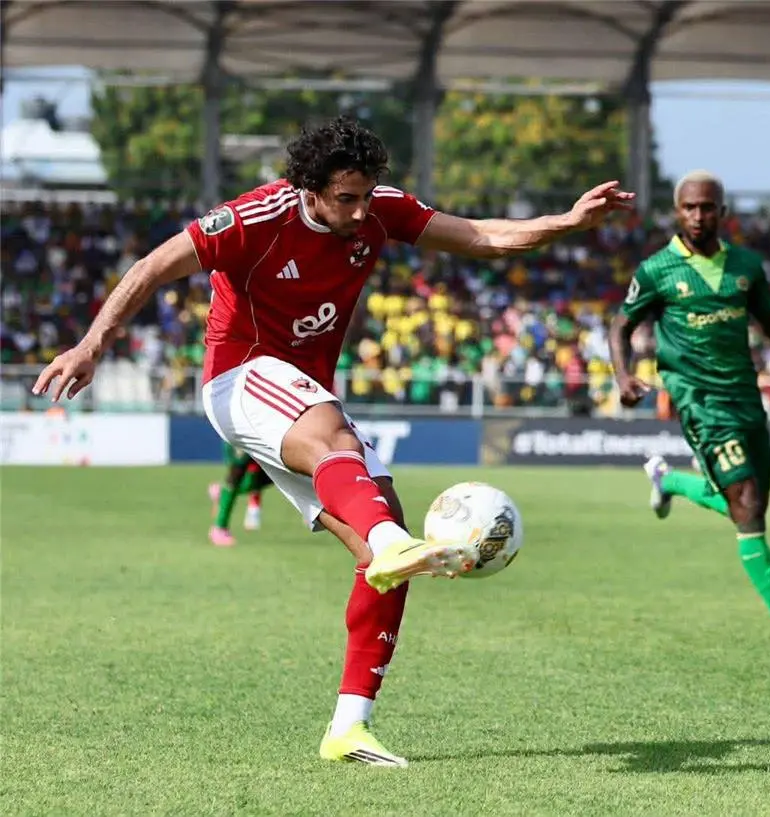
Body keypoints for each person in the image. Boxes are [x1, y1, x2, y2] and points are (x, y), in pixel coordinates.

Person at [33, 115, 633, 767]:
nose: (360, 210)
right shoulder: (252, 219)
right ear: (308, 191)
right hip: (241, 374)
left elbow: (483, 235)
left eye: (366, 194)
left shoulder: (382, 211)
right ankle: (386, 544)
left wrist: (566, 224)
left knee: (387, 537)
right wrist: (93, 344)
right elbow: (153, 266)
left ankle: (349, 727)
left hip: (305, 391)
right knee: (346, 458)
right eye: (345, 198)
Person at [608, 170, 770, 655]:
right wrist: (623, 374)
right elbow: (620, 324)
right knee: (748, 505)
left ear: (723, 212)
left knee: (748, 507)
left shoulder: (746, 266)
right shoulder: (657, 270)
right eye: (690, 208)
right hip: (698, 400)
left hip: (744, 398)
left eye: (707, 207)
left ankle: (669, 481)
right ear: (678, 212)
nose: (699, 215)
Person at [207, 442, 274, 546]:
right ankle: (219, 528)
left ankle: (222, 492)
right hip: (240, 434)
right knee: (236, 474)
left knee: (268, 477)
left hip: (263, 433)